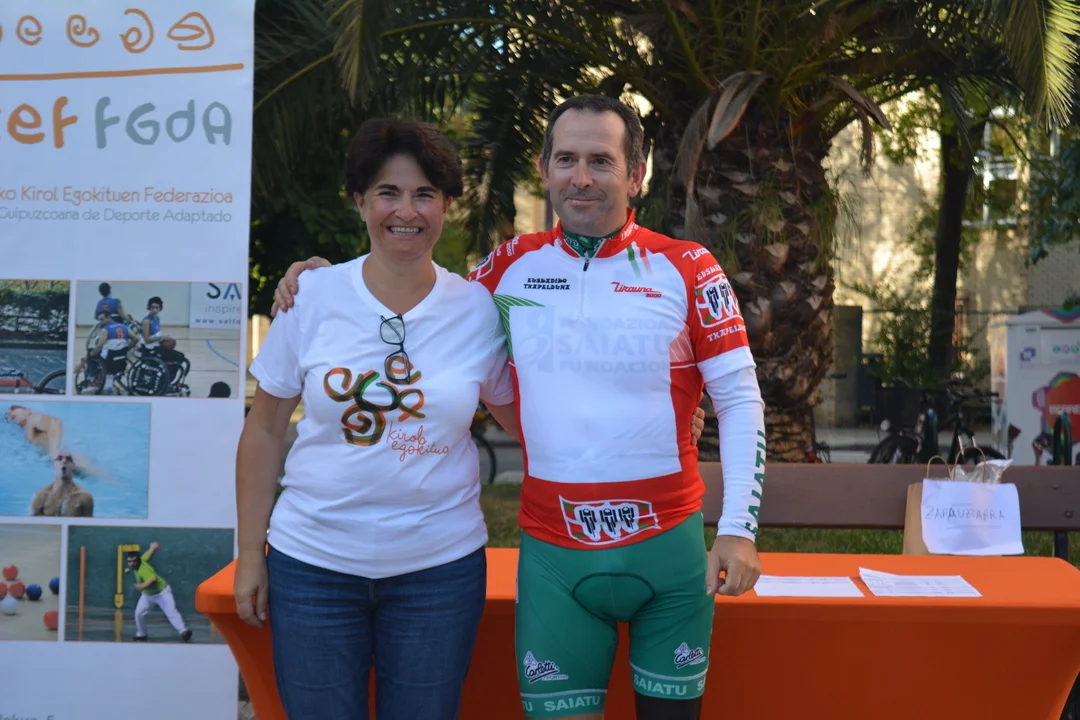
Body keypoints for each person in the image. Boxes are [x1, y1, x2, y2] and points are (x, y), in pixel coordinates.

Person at [273, 95, 767, 720]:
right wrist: (321, 280)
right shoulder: (507, 268)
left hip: (667, 549)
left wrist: (738, 529)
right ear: (543, 169)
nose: (581, 177)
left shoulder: (690, 268)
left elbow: (740, 399)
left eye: (600, 161)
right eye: (566, 159)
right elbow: (418, 304)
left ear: (637, 173)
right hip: (554, 556)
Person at [127, 542, 193, 643]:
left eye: (134, 561)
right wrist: (152, 548)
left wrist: (141, 586)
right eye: (130, 561)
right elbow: (148, 554)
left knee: (171, 612)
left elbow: (152, 579)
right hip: (147, 596)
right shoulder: (142, 560)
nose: (132, 563)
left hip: (162, 593)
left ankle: (184, 632)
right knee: (139, 614)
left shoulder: (143, 570)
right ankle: (141, 634)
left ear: (138, 560)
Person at [30, 451, 94, 517]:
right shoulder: (40, 497)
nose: (64, 461)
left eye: (68, 459)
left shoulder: (84, 497)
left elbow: (88, 523)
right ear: (53, 465)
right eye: (59, 458)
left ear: (73, 466)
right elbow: (33, 523)